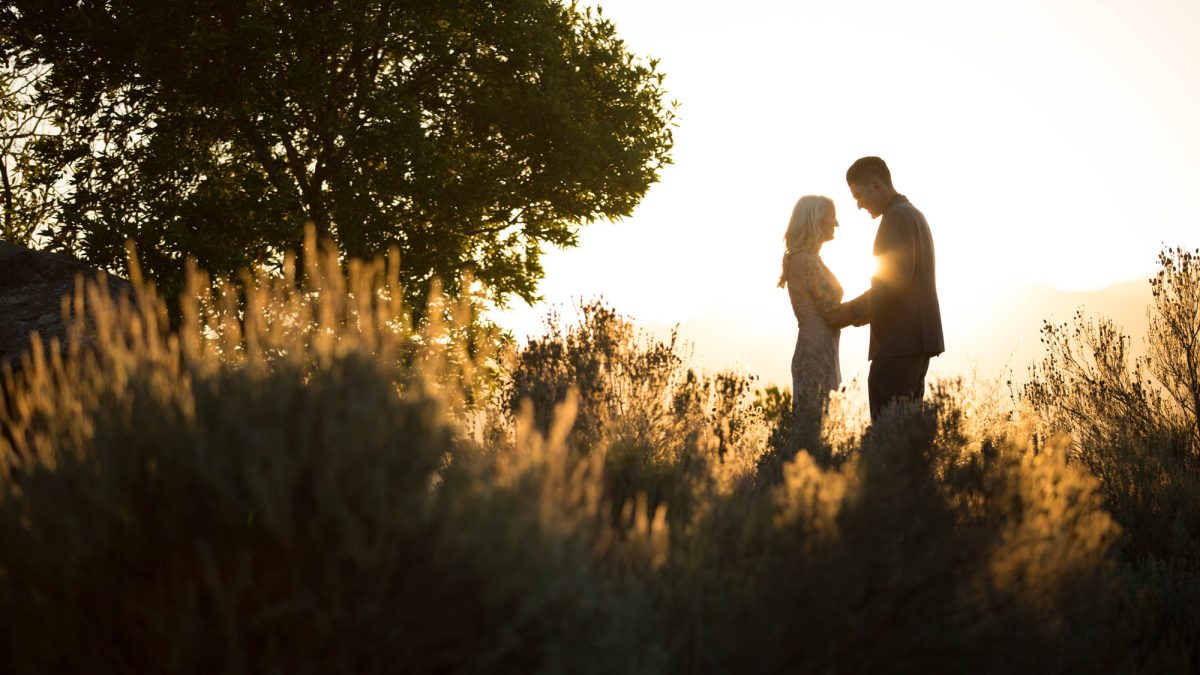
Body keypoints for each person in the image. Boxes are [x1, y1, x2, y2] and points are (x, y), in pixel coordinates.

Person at [843, 157, 944, 421]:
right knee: (906, 433)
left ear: (875, 185)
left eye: (858, 195)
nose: (858, 205)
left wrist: (849, 313)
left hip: (899, 344)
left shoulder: (896, 218)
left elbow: (892, 284)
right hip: (914, 342)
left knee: (888, 434)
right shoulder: (912, 214)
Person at [779, 195, 854, 454]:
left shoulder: (806, 258)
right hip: (814, 351)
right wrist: (874, 307)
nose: (837, 223)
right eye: (832, 216)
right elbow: (830, 308)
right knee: (813, 428)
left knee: (818, 425)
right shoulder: (806, 261)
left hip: (820, 347)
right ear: (815, 220)